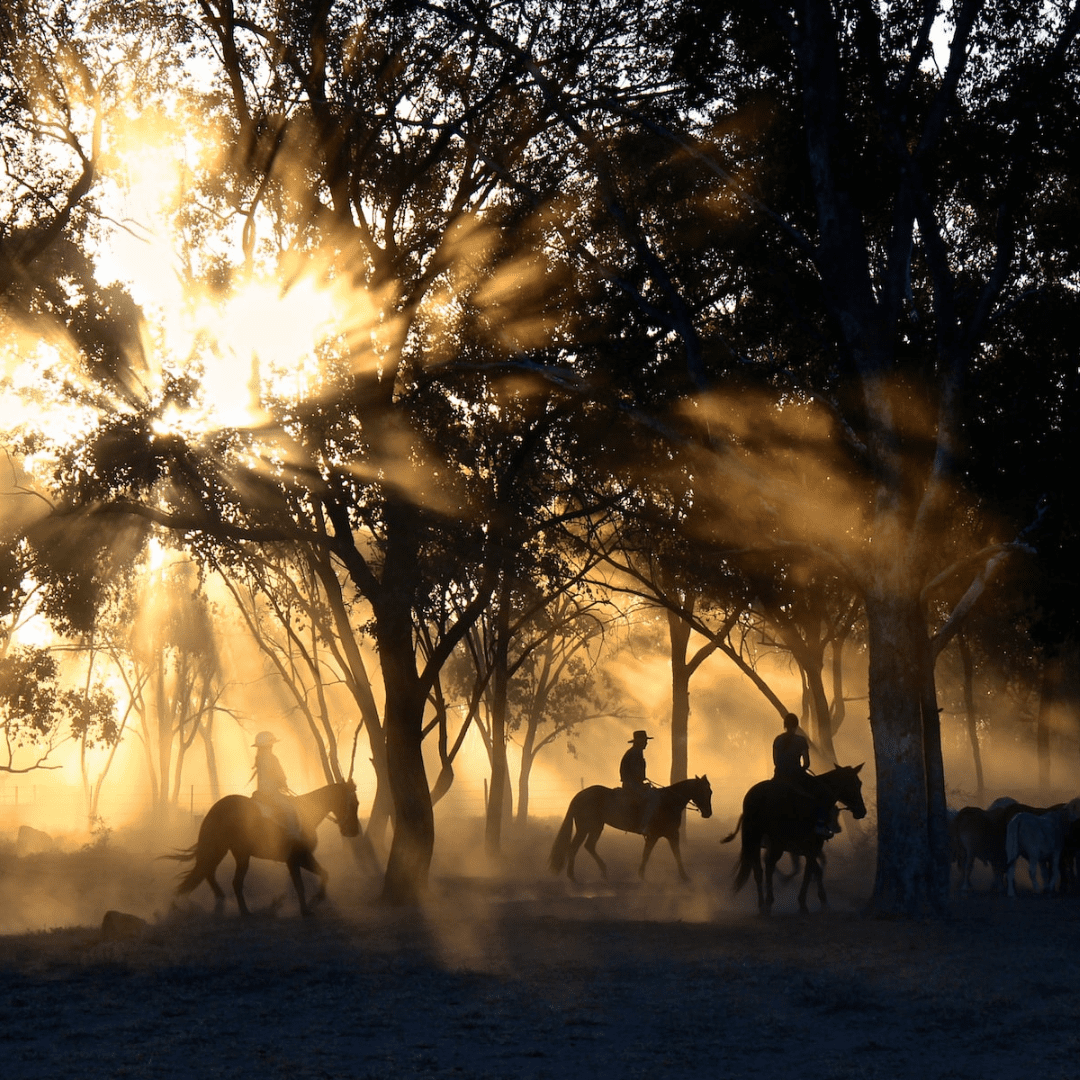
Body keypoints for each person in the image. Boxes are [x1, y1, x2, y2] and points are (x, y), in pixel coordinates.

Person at [772, 713, 834, 836]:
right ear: (796, 726)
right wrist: (801, 768)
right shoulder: (800, 741)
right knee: (823, 792)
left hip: (779, 776)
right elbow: (806, 763)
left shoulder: (777, 740)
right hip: (796, 776)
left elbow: (775, 761)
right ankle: (820, 825)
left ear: (784, 725)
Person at [251, 731, 302, 842]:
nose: (272, 746)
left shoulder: (259, 757)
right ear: (268, 745)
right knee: (290, 809)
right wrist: (283, 784)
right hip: (271, 792)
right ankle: (293, 835)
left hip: (261, 791)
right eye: (272, 744)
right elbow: (278, 774)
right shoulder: (271, 757)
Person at [620, 729, 660, 834]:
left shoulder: (636, 752)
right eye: (645, 741)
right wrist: (641, 785)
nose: (646, 743)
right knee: (652, 799)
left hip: (633, 783)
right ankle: (643, 826)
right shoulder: (634, 753)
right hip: (631, 785)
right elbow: (634, 772)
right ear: (639, 741)